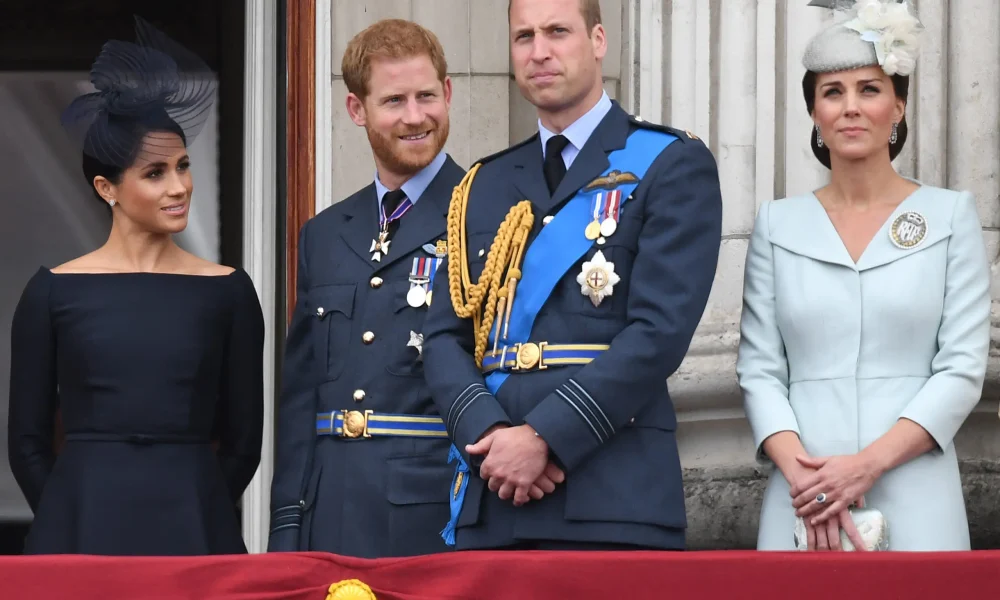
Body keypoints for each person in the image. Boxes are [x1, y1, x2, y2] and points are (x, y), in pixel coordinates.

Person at [421, 0, 722, 551]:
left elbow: (659, 333)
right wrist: (488, 434)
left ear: (598, 40)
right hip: (494, 495)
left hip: (612, 497)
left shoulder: (670, 163)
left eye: (557, 32)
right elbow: (443, 336)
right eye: (524, 37)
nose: (539, 52)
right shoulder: (483, 184)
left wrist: (545, 436)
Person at [737, 0, 990, 551]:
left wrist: (867, 465)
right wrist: (806, 477)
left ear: (898, 106)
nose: (850, 107)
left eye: (869, 89)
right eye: (833, 92)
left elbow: (961, 369)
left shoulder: (949, 216)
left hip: (916, 489)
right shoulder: (777, 224)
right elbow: (759, 370)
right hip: (802, 495)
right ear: (815, 112)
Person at [7, 17, 264, 556]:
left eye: (183, 166)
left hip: (194, 531)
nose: (179, 187)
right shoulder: (51, 292)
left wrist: (200, 509)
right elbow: (26, 443)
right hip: (79, 532)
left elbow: (244, 444)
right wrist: (67, 516)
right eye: (155, 173)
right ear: (107, 188)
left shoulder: (229, 292)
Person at [267, 19, 465, 558]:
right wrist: (287, 527)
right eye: (394, 100)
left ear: (448, 93)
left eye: (426, 96)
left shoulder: (487, 215)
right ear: (357, 109)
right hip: (329, 513)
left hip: (434, 519)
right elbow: (302, 395)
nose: (415, 117)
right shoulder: (325, 234)